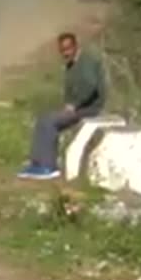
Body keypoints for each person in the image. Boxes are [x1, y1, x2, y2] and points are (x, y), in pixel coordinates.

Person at [17, 32, 107, 180]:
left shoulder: (86, 61)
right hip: (77, 107)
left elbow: (91, 85)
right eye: (62, 50)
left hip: (89, 108)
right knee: (43, 119)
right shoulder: (71, 64)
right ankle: (37, 162)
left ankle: (48, 166)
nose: (65, 53)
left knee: (49, 122)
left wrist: (75, 104)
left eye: (68, 49)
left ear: (75, 46)